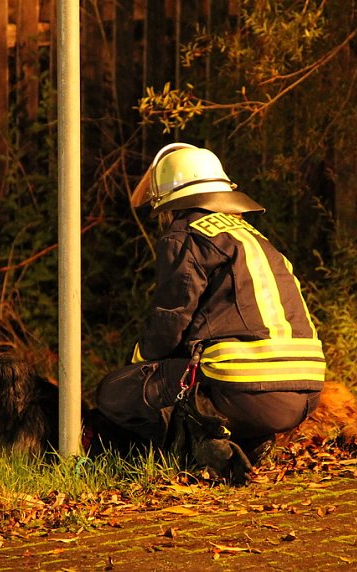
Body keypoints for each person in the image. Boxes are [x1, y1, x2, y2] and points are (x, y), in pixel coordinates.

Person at [95, 143, 324, 482]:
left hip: (245, 394)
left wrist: (140, 363)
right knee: (196, 377)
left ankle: (197, 448)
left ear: (170, 203)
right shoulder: (254, 237)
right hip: (305, 393)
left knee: (116, 390)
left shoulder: (187, 234)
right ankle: (248, 440)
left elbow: (170, 321)